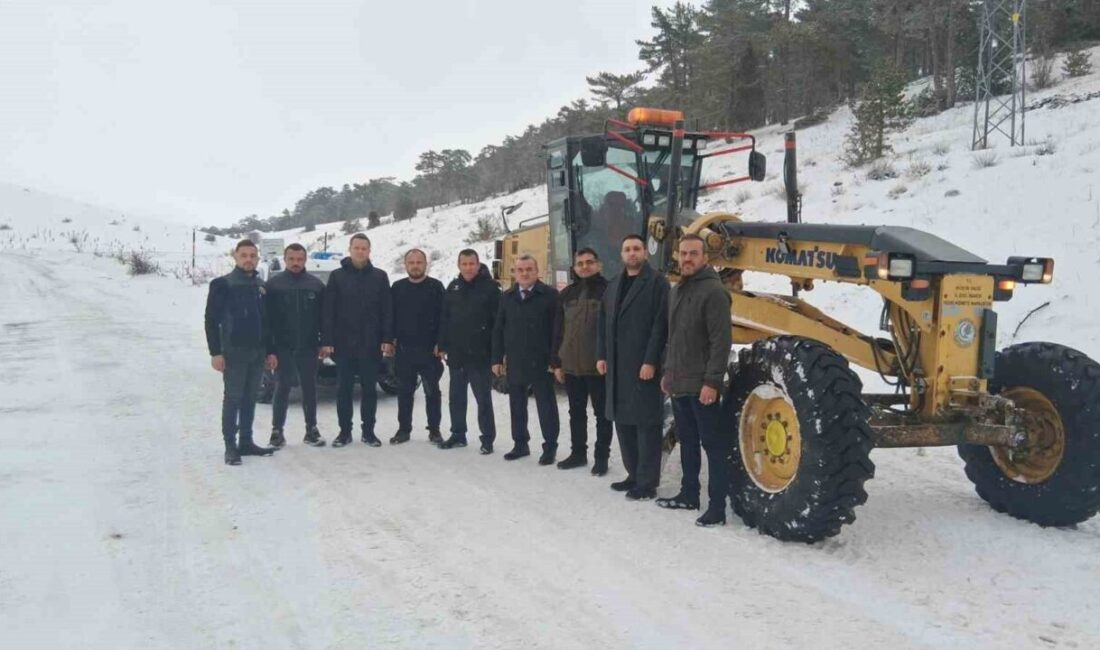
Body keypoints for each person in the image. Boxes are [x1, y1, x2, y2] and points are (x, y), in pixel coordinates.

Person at [657, 234, 733, 527]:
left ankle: (717, 508)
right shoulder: (677, 290)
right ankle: (689, 494)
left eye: (693, 253)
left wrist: (712, 382)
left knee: (713, 446)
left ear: (704, 258)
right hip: (679, 383)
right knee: (688, 441)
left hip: (703, 386)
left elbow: (720, 341)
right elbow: (675, 338)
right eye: (683, 253)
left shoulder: (713, 292)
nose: (687, 258)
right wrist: (668, 373)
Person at [596, 234, 669, 500]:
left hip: (642, 364)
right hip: (616, 364)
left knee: (646, 424)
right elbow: (603, 323)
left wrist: (651, 361)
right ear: (622, 254)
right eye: (627, 249)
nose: (632, 253)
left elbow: (661, 326)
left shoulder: (657, 283)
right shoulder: (614, 284)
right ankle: (633, 474)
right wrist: (601, 355)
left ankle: (647, 482)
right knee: (623, 421)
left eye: (637, 248)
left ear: (645, 253)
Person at [205, 239, 279, 466]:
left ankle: (246, 442)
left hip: (257, 353)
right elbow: (211, 320)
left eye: (252, 255)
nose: (248, 259)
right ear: (235, 257)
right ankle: (230, 446)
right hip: (234, 353)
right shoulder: (223, 284)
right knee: (233, 399)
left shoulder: (260, 285)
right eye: (244, 255)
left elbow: (268, 322)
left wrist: (271, 351)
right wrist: (215, 352)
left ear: (257, 258)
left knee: (250, 399)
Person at [321, 233, 394, 448]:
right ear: (350, 249)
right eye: (357, 248)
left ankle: (369, 432)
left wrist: (387, 338)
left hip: (370, 344)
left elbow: (386, 310)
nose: (360, 251)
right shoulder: (337, 276)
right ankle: (344, 432)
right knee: (343, 390)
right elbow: (328, 311)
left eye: (364, 248)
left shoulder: (380, 277)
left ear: (369, 251)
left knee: (369, 390)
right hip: (343, 344)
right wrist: (327, 340)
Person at [492, 254, 561, 464]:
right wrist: (496, 358)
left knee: (546, 406)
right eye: (520, 270)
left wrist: (555, 360)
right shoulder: (507, 296)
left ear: (537, 271)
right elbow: (498, 329)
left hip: (542, 360)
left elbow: (557, 331)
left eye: (529, 269)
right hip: (516, 359)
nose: (525, 273)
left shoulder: (550, 295)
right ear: (515, 273)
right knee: (517, 405)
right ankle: (520, 444)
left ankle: (550, 447)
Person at [551, 248, 613, 475]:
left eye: (589, 262)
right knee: (576, 412)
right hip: (571, 365)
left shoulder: (609, 291)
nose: (585, 266)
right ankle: (578, 453)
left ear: (599, 265)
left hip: (598, 366)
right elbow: (558, 331)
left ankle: (601, 457)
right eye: (580, 263)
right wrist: (556, 362)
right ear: (574, 267)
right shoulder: (566, 294)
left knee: (602, 415)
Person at [437, 249, 499, 453]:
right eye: (464, 264)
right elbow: (444, 318)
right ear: (458, 265)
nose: (468, 268)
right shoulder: (453, 287)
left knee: (483, 399)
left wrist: (497, 352)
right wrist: (442, 343)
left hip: (481, 354)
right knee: (456, 397)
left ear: (478, 264)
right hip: (457, 353)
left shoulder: (490, 288)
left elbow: (498, 323)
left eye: (472, 264)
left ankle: (487, 439)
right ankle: (458, 434)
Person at [265, 243, 326, 448]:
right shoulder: (273, 285)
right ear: (285, 259)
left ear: (305, 260)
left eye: (300, 259)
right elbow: (267, 320)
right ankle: (277, 431)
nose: (296, 263)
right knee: (281, 388)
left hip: (308, 347)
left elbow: (325, 318)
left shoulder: (316, 285)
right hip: (283, 347)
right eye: (291, 259)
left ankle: (311, 430)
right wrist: (270, 349)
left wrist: (323, 342)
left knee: (309, 389)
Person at [390, 248, 445, 445]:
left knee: (432, 392)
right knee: (404, 392)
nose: (415, 266)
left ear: (425, 264)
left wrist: (441, 342)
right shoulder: (397, 288)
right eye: (411, 262)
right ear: (405, 265)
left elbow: (444, 318)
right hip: (404, 350)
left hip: (430, 351)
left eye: (419, 262)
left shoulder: (436, 287)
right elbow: (390, 317)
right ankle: (404, 430)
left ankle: (435, 430)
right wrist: (390, 339)